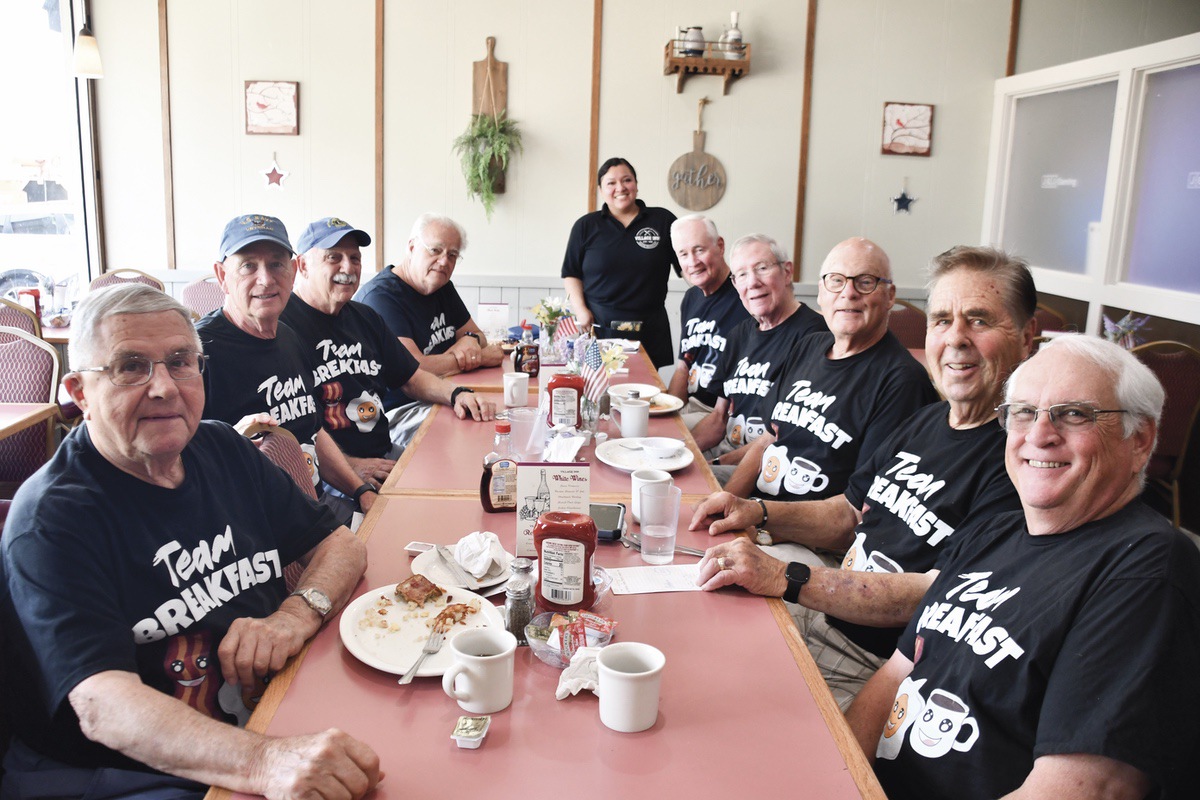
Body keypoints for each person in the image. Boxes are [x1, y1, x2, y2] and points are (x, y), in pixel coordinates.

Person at [0, 284, 380, 799]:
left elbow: (341, 544)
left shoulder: (221, 446)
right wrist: (266, 763)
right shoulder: (53, 520)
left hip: (264, 712)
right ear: (80, 392)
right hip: (130, 770)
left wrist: (294, 615)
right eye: (130, 366)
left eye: (181, 361)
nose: (164, 387)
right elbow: (104, 707)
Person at [846, 334, 1200, 799]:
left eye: (1074, 414)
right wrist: (833, 771)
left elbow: (1084, 791)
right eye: (1024, 412)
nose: (1039, 435)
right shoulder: (990, 533)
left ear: (1140, 439)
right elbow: (895, 674)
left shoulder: (1145, 571)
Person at [693, 246, 1037, 708]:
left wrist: (789, 577)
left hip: (869, 660)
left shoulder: (1022, 460)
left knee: (721, 704)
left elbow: (934, 594)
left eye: (979, 320)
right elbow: (849, 512)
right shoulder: (928, 421)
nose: (956, 339)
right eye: (941, 320)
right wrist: (755, 510)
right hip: (824, 611)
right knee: (693, 644)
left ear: (1028, 336)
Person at [281, 216, 495, 485]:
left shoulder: (365, 318)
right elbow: (287, 432)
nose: (347, 267)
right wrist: (351, 467)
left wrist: (457, 394)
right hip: (332, 477)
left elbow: (412, 377)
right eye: (334, 257)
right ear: (302, 266)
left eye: (354, 258)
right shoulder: (281, 327)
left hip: (382, 452)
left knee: (468, 467)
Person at [722, 237, 937, 503]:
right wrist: (726, 501)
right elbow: (767, 438)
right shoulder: (808, 346)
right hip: (759, 501)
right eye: (836, 280)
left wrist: (758, 517)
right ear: (821, 293)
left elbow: (856, 508)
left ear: (890, 295)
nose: (848, 293)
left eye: (865, 281)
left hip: (801, 534)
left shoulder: (903, 382)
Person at [197, 214, 378, 525]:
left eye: (277, 264)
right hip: (259, 528)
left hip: (316, 508)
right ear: (221, 275)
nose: (266, 279)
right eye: (248, 265)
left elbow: (313, 429)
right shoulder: (198, 354)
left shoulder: (289, 336)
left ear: (294, 271)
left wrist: (360, 490)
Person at [689, 234, 827, 479]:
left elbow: (780, 435)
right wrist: (683, 452)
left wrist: (713, 463)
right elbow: (718, 417)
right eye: (741, 274)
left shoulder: (814, 336)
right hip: (726, 452)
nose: (752, 282)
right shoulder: (739, 335)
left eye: (762, 268)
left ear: (787, 272)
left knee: (680, 483)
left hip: (766, 466)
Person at [355, 213, 506, 395]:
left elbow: (477, 335)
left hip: (447, 390)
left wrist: (469, 339)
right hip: (401, 408)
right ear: (411, 248)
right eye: (435, 250)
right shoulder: (381, 297)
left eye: (452, 255)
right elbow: (415, 368)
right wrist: (478, 358)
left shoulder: (442, 287)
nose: (444, 262)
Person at [561, 157, 679, 368]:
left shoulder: (663, 221)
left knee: (646, 395)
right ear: (600, 189)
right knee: (600, 394)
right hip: (599, 328)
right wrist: (580, 310)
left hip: (650, 329)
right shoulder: (586, 226)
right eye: (611, 183)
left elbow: (688, 268)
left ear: (636, 184)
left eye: (627, 180)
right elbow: (571, 273)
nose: (620, 188)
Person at [666, 214, 752, 426]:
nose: (692, 262)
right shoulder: (691, 298)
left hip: (724, 416)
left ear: (720, 246)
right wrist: (665, 413)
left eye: (699, 250)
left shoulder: (748, 297)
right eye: (683, 254)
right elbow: (682, 368)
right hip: (691, 408)